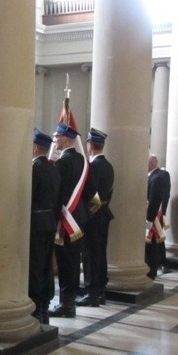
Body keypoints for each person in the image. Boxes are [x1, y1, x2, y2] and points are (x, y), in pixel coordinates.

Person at [49, 123, 94, 318]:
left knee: (65, 262)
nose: (55, 140)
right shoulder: (84, 162)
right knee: (74, 261)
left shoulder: (62, 162)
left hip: (65, 221)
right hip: (79, 219)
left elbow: (55, 194)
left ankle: (66, 305)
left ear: (66, 138)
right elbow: (94, 196)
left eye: (57, 136)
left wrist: (53, 217)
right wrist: (85, 214)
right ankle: (70, 303)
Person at [76, 128, 113, 307]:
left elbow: (91, 193)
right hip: (104, 213)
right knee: (100, 253)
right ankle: (101, 291)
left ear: (90, 145)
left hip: (93, 216)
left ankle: (92, 293)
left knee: (90, 254)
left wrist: (87, 210)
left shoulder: (92, 167)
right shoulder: (108, 166)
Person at [29, 129, 60, 323]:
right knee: (46, 265)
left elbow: (29, 199)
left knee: (35, 266)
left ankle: (36, 306)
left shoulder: (35, 169)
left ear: (34, 148)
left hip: (36, 224)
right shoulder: (53, 169)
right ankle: (45, 307)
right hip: (49, 221)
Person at [146, 154, 171, 279]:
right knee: (155, 242)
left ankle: (153, 269)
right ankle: (156, 265)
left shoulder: (158, 177)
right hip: (153, 215)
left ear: (151, 164)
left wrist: (149, 219)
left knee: (154, 243)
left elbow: (155, 199)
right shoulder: (154, 176)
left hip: (154, 216)